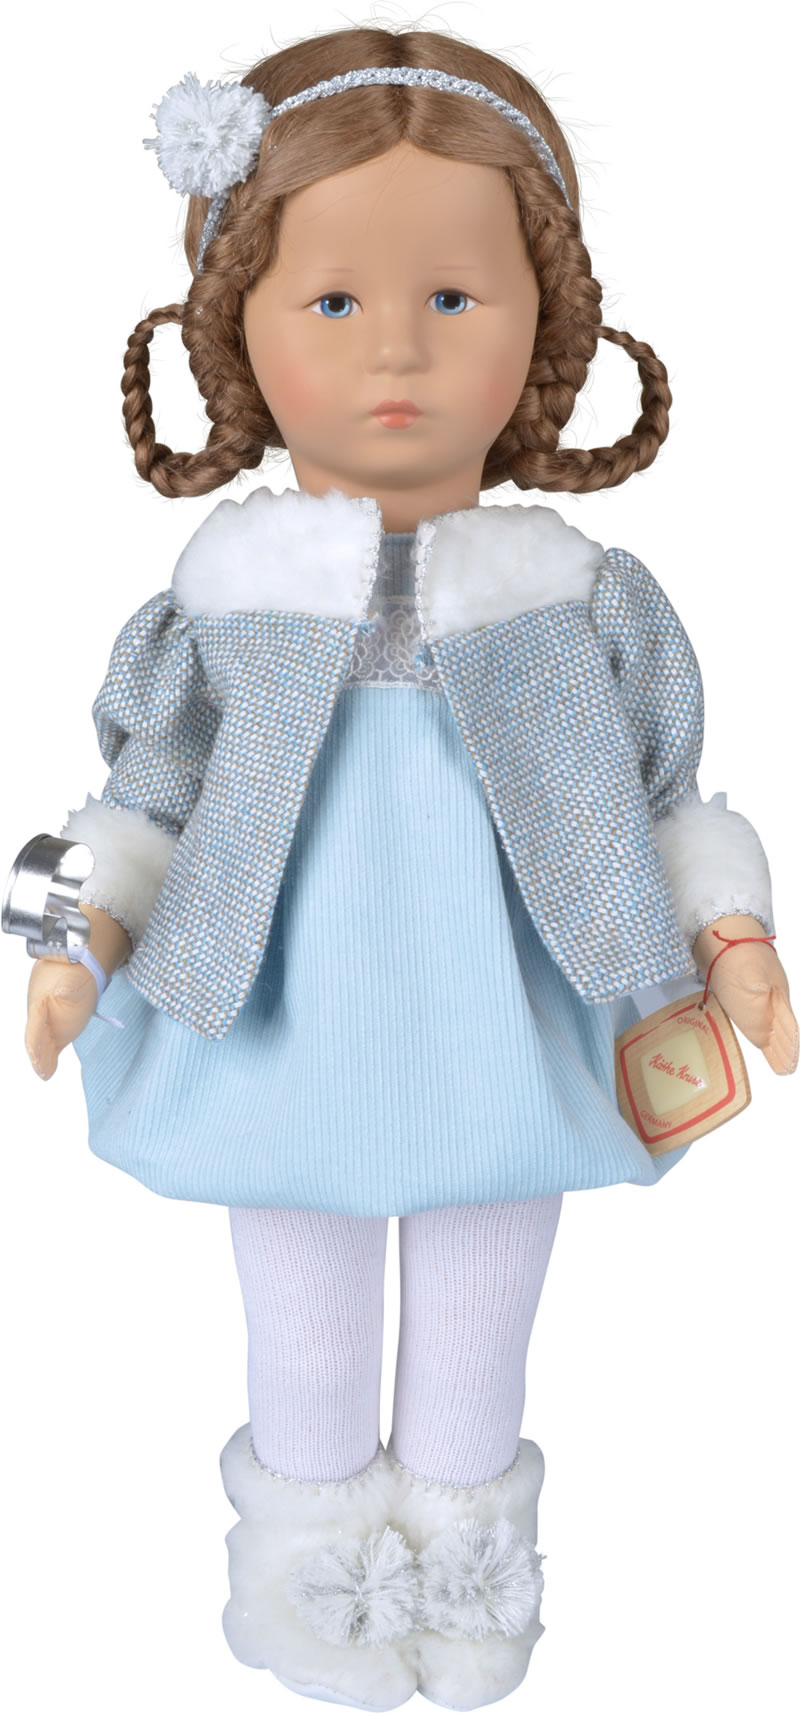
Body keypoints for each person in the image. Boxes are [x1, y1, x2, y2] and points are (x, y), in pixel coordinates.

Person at [16, 24, 797, 1713]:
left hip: (506, 1016)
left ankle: (466, 1566)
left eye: (454, 296)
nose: (396, 349)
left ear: (543, 323)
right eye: (332, 301)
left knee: (484, 1309)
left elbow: (664, 788)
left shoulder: (577, 599)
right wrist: (77, 937)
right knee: (294, 1310)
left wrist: (728, 925)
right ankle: (320, 1587)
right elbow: (146, 790)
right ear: (239, 331)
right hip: (277, 1018)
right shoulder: (224, 607)